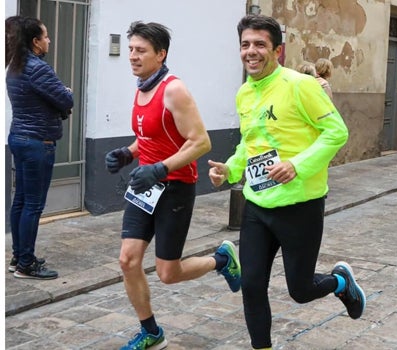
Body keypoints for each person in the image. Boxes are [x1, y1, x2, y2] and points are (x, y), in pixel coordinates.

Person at [207, 14, 365, 350]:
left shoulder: (301, 86)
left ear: (277, 51)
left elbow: (336, 132)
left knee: (301, 290)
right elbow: (250, 145)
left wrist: (298, 165)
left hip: (300, 207)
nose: (251, 51)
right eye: (246, 44)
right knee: (251, 286)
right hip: (257, 206)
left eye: (260, 44)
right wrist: (230, 170)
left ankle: (340, 283)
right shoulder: (244, 94)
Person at [104, 21, 241, 350]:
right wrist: (128, 153)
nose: (133, 57)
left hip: (175, 187)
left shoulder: (174, 90)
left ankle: (221, 260)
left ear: (160, 54)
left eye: (141, 51)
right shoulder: (141, 87)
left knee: (168, 272)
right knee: (128, 260)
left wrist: (160, 169)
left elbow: (201, 142)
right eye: (131, 50)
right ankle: (151, 331)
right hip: (145, 187)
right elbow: (149, 136)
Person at [6, 17, 74, 279]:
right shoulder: (38, 68)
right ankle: (26, 264)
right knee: (33, 204)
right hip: (37, 143)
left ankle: (18, 256)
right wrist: (67, 91)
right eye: (45, 36)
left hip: (19, 138)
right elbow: (65, 98)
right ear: (35, 42)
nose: (49, 40)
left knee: (21, 201)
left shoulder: (15, 66)